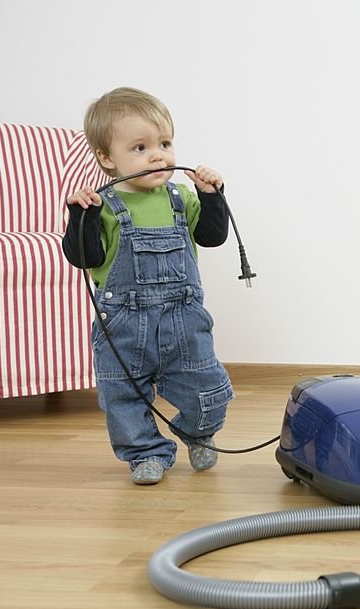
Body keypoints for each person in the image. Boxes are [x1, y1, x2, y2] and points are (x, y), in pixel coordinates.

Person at [62, 86, 234, 485]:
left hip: (184, 321)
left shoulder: (181, 199)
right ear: (107, 158)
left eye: (165, 143)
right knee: (122, 396)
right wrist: (79, 217)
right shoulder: (101, 206)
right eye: (140, 147)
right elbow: (84, 258)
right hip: (123, 326)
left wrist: (211, 197)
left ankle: (198, 431)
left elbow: (211, 237)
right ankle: (146, 453)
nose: (158, 155)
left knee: (208, 385)